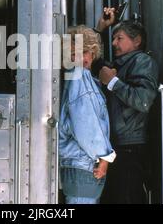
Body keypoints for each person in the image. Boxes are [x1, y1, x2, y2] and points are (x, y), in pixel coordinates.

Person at [95, 8, 159, 204]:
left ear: (137, 41)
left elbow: (143, 100)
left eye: (119, 38)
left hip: (130, 149)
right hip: (118, 147)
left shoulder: (143, 61)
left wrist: (113, 83)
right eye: (113, 38)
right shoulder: (121, 64)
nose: (114, 43)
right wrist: (100, 29)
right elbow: (89, 58)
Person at [59, 25, 116, 204]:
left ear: (93, 53)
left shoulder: (73, 79)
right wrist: (105, 157)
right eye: (72, 54)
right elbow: (86, 124)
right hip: (85, 165)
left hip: (75, 165)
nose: (79, 58)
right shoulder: (79, 77)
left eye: (83, 51)